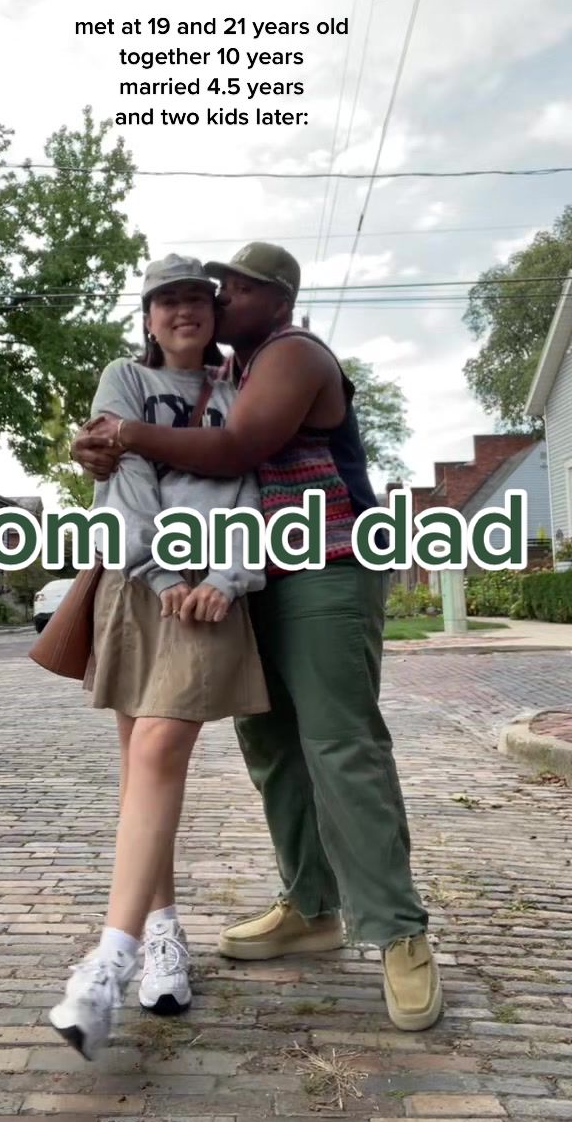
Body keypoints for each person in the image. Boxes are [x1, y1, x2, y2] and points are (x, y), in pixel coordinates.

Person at [72, 241, 443, 1034]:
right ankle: (311, 906)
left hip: (325, 564)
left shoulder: (293, 352)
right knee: (271, 745)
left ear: (278, 300)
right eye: (218, 289)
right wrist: (102, 447)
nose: (219, 300)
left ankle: (398, 931)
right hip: (251, 580)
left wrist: (125, 433)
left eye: (236, 290)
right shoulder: (225, 371)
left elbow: (236, 449)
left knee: (341, 745)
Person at [49, 255, 269, 1060]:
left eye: (196, 300)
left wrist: (225, 578)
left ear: (213, 315)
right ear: (147, 317)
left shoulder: (241, 389)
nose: (184, 311)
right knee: (141, 771)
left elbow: (250, 484)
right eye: (167, 301)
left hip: (209, 593)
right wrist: (164, 571)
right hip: (141, 581)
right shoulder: (126, 379)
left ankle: (108, 963)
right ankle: (164, 934)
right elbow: (128, 475)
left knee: (158, 750)